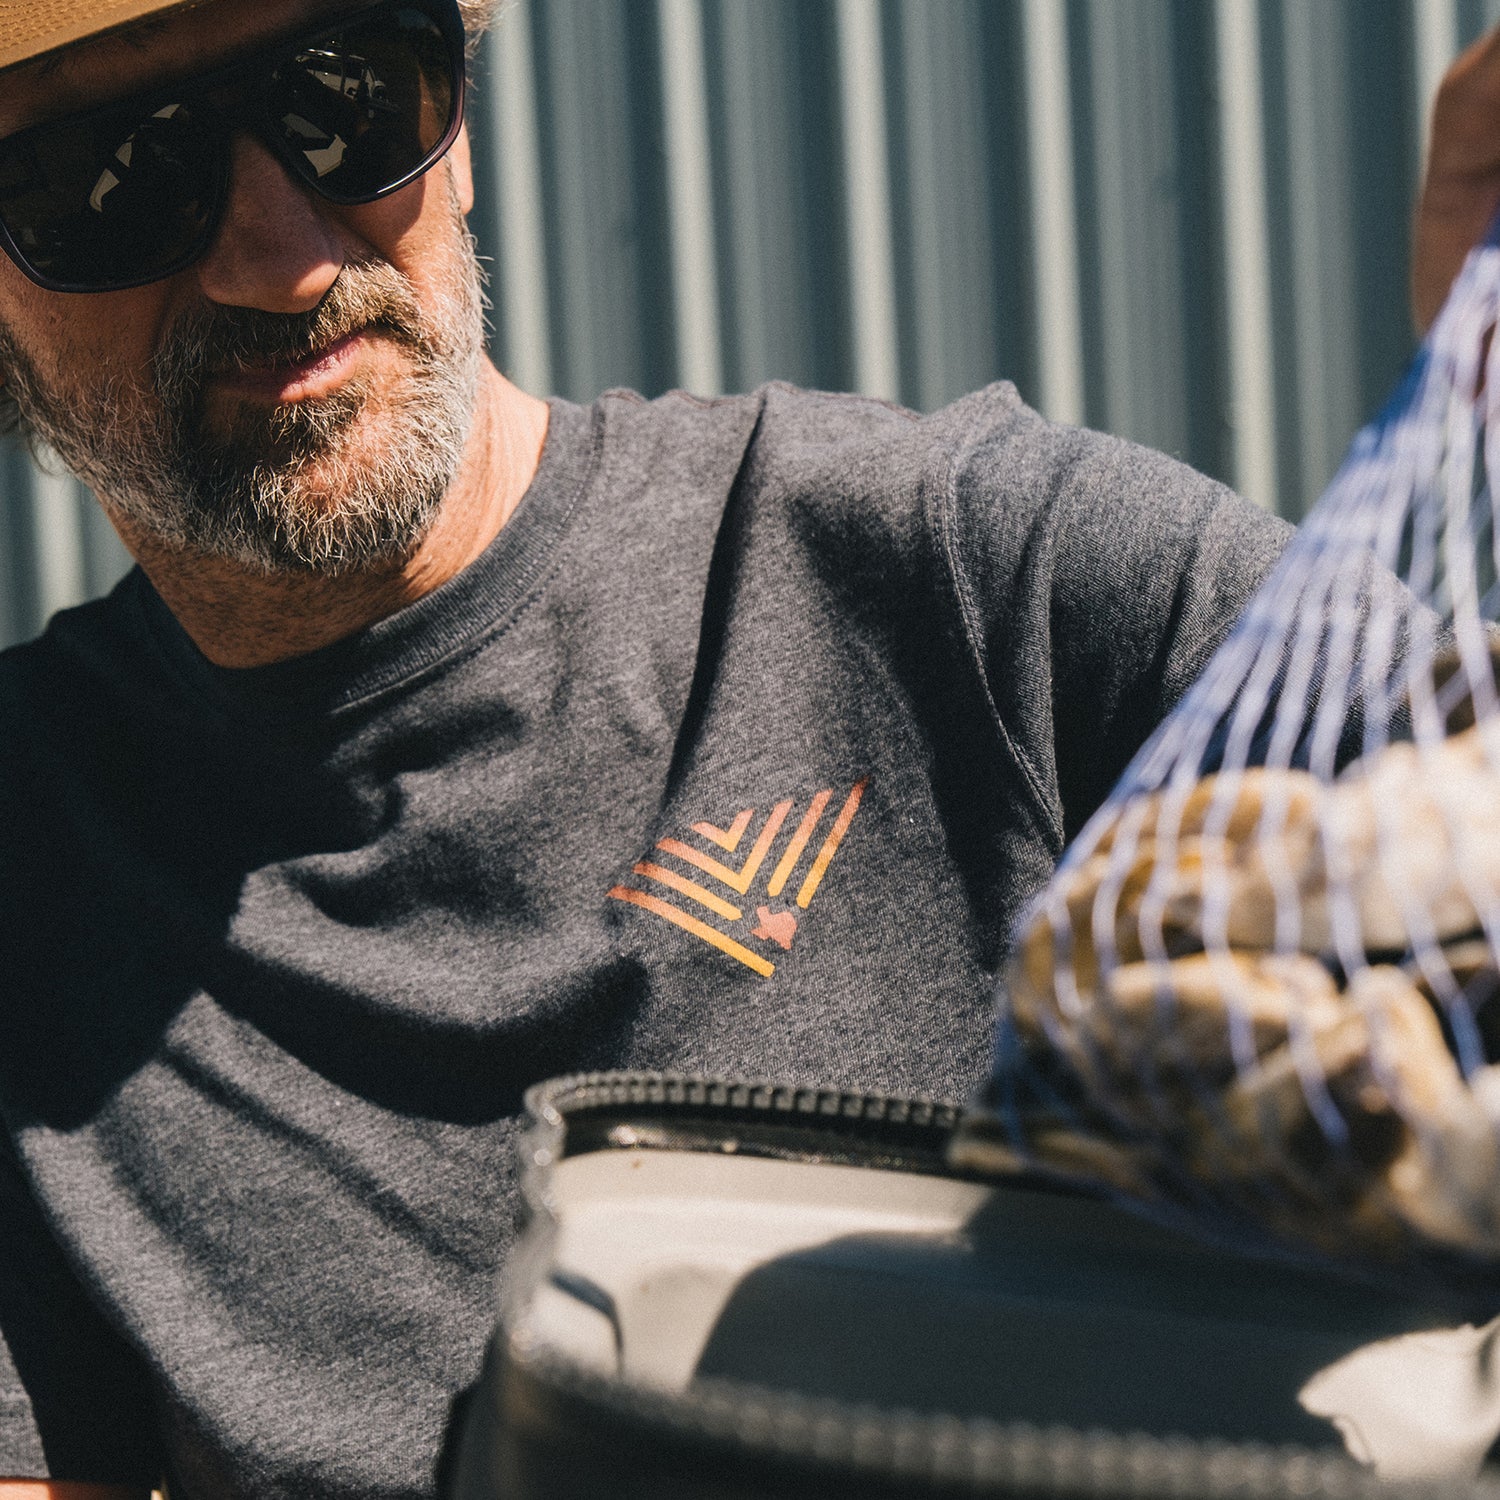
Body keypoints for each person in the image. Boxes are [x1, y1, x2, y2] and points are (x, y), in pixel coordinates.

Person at [0, 2, 1491, 1498]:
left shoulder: (980, 583)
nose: (279, 257)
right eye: (107, 180)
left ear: (456, 120)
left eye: (346, 101)